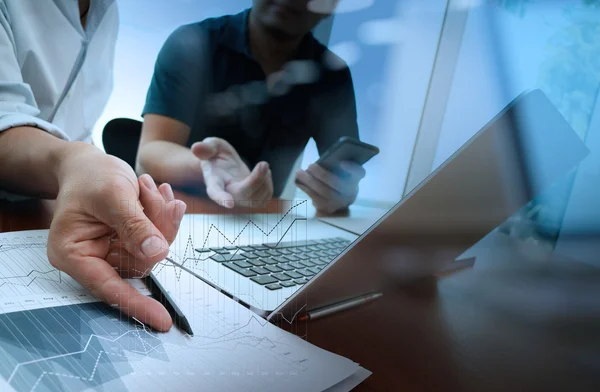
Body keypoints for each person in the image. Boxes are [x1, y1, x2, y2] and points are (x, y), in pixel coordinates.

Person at [0, 0, 182, 331]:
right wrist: (76, 162)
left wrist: (103, 186)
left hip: (37, 214)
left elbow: (78, 132)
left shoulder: (107, 14)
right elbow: (4, 116)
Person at [137, 0, 367, 214]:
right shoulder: (192, 41)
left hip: (262, 224)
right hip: (184, 213)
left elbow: (343, 167)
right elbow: (151, 151)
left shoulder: (333, 76)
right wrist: (208, 167)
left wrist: (340, 191)